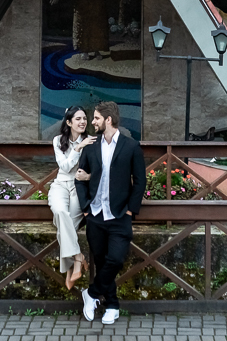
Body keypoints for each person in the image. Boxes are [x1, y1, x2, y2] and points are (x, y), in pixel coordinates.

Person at [74, 100, 145, 325]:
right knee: (103, 261)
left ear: (108, 120)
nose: (91, 122)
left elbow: (140, 181)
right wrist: (86, 208)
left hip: (119, 215)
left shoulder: (131, 146)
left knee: (115, 259)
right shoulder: (91, 146)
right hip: (94, 214)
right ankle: (112, 305)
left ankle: (92, 293)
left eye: (95, 118)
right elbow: (80, 177)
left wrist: (131, 211)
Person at [50, 106, 97, 289]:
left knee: (67, 223)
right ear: (69, 122)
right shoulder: (57, 141)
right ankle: (78, 257)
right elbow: (66, 167)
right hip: (61, 185)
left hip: (80, 187)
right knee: (60, 212)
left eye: (85, 118)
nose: (83, 122)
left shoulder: (92, 141)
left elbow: (98, 170)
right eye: (78, 119)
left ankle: (70, 268)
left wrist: (89, 177)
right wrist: (78, 148)